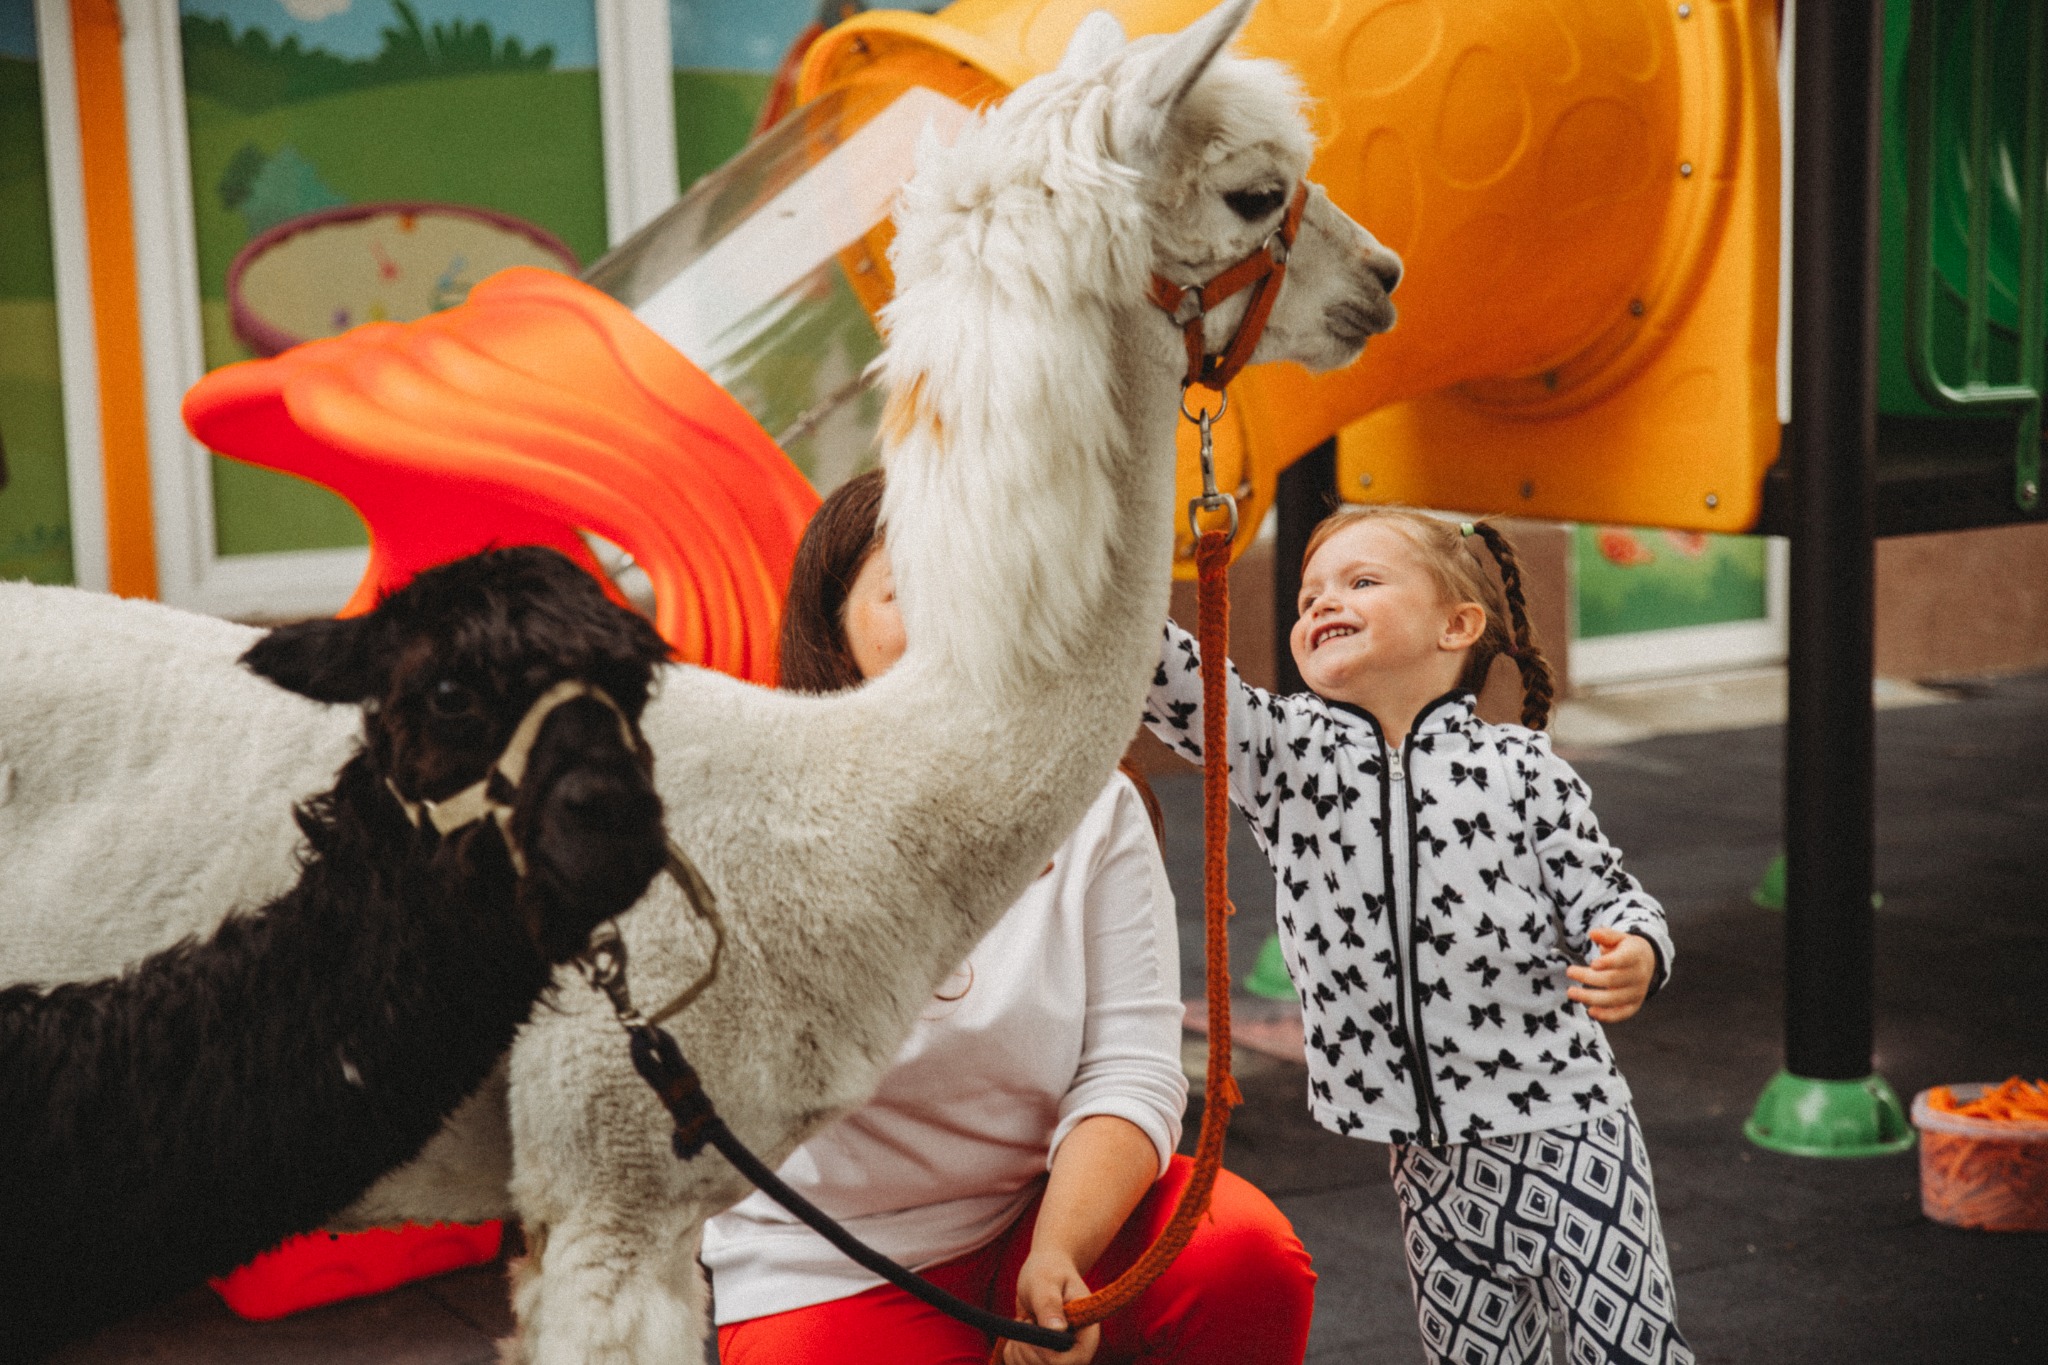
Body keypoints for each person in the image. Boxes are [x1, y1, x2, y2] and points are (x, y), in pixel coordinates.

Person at [705, 469, 1316, 1365]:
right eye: (908, 585)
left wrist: (1060, 1251)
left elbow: (1131, 1067)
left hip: (1041, 1203)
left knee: (1244, 1260)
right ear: (837, 631)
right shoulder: (759, 817)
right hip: (834, 1255)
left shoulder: (1089, 803)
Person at [1143, 507, 1690, 1365]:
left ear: (1456, 625)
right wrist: (1101, 561)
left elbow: (1614, 894)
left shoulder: (1521, 768)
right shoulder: (1290, 759)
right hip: (1428, 1160)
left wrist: (1635, 950)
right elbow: (1172, 677)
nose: (1323, 602)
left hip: (1570, 1131)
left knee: (1629, 1353)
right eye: (1307, 593)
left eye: (1361, 581)